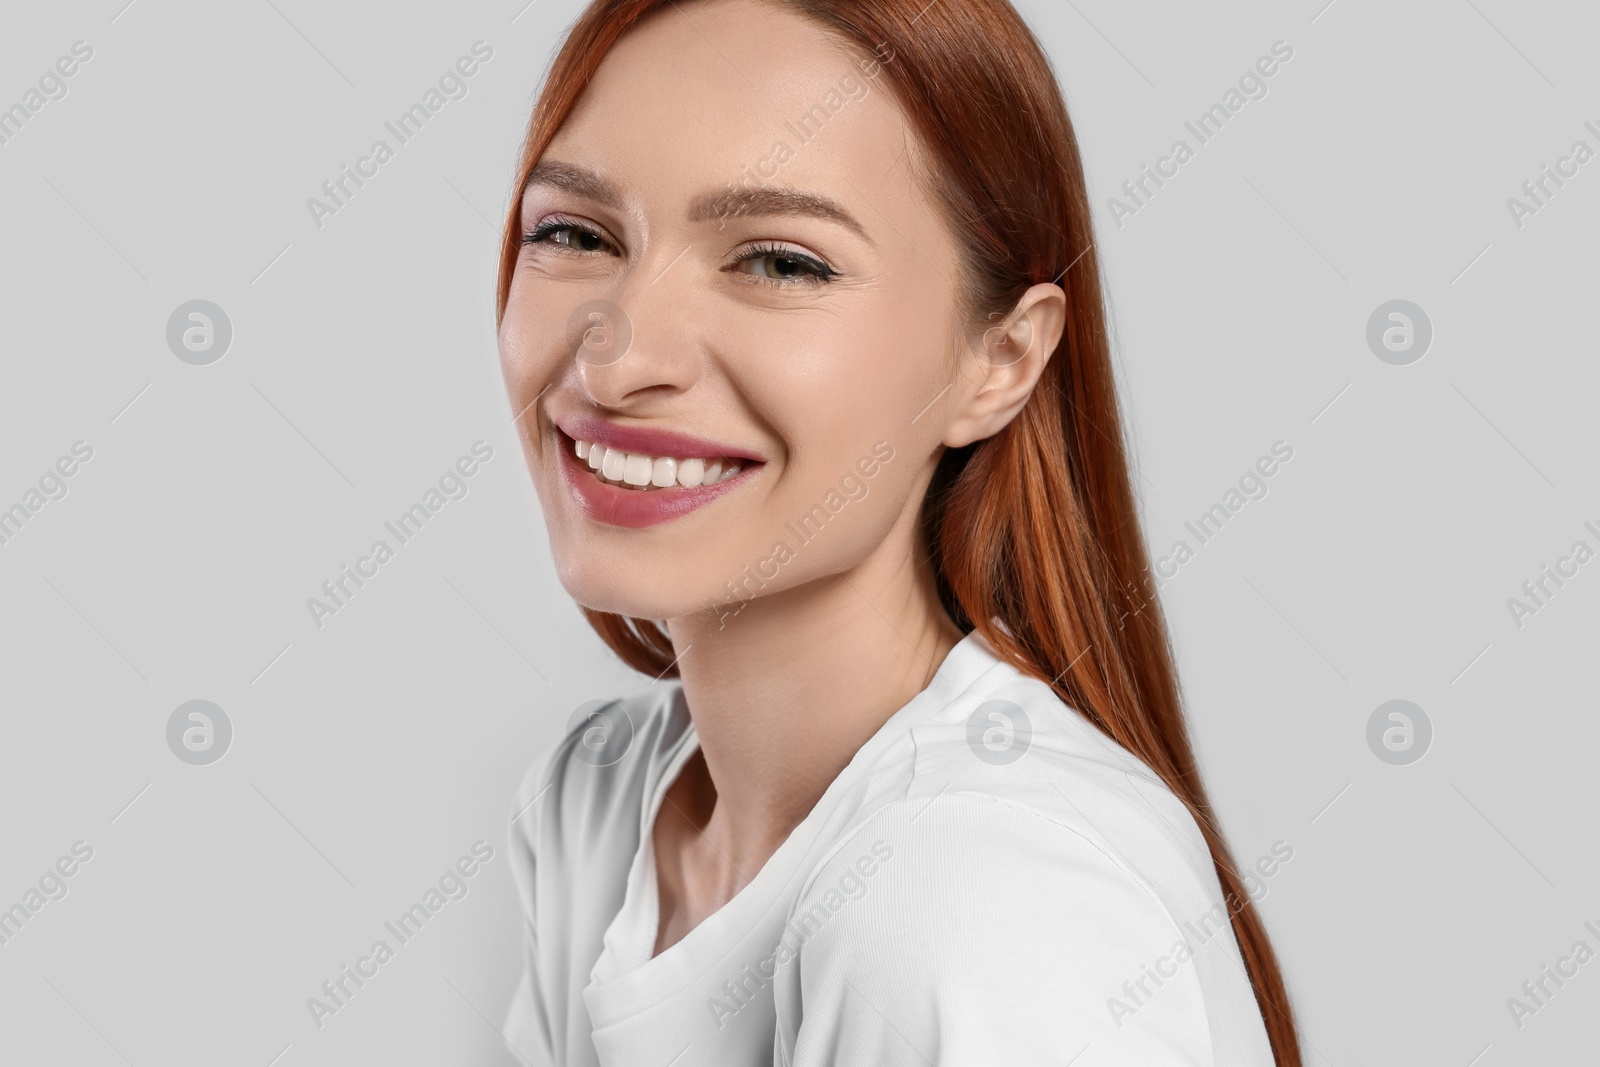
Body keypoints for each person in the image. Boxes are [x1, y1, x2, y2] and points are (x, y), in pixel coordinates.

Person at [494, 0, 1300, 1063]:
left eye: (781, 262)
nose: (616, 357)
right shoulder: (594, 806)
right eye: (575, 233)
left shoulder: (983, 899)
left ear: (1001, 359)